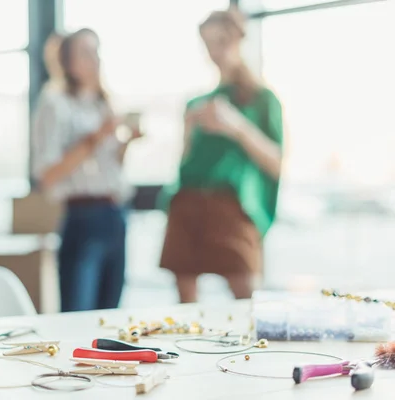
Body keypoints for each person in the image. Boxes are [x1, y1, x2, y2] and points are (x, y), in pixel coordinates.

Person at [159, 8, 284, 302]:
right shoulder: (197, 102)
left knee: (247, 301)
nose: (216, 50)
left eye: (222, 40)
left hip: (232, 207)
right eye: (208, 42)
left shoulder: (263, 100)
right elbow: (185, 161)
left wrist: (237, 126)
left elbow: (276, 164)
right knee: (185, 307)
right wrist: (189, 131)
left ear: (240, 39)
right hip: (187, 203)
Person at [31, 28, 142, 312]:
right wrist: (95, 137)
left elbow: (110, 168)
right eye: (87, 52)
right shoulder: (54, 103)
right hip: (83, 217)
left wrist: (126, 142)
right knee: (78, 312)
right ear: (68, 61)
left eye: (97, 51)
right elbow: (47, 174)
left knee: (110, 310)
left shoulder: (102, 104)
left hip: (116, 214)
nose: (96, 59)